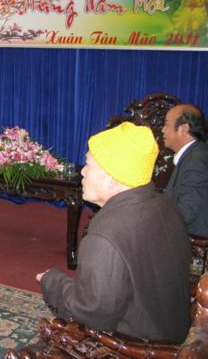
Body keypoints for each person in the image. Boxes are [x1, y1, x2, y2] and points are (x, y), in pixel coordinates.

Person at [37, 122, 191, 343]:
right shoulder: (164, 205)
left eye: (88, 165)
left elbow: (93, 314)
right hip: (173, 329)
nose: (82, 172)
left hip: (137, 344)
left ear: (111, 179)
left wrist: (51, 281)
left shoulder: (105, 236)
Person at [162, 104, 208, 237]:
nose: (163, 130)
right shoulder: (197, 152)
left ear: (184, 129)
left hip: (193, 241)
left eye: (166, 125)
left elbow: (186, 212)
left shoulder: (195, 160)